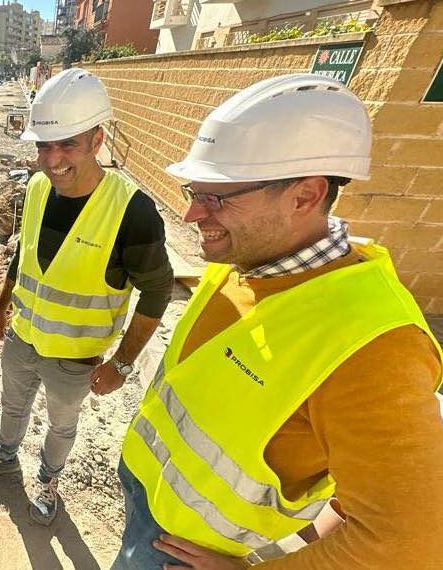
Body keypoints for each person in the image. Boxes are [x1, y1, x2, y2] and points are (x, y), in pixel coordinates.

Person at [112, 73, 443, 570]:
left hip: (195, 552)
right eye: (194, 190)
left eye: (217, 197)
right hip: (150, 502)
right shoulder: (245, 257)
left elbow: (406, 543)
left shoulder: (376, 346)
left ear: (306, 195)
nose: (190, 213)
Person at [0, 68, 174, 526]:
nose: (52, 159)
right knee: (12, 406)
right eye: (44, 145)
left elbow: (158, 290)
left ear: (97, 140)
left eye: (67, 145)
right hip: (23, 339)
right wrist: (1, 311)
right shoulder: (37, 187)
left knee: (61, 426)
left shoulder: (131, 211)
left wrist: (121, 364)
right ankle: (5, 457)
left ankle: (48, 480)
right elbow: (23, 256)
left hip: (76, 357)